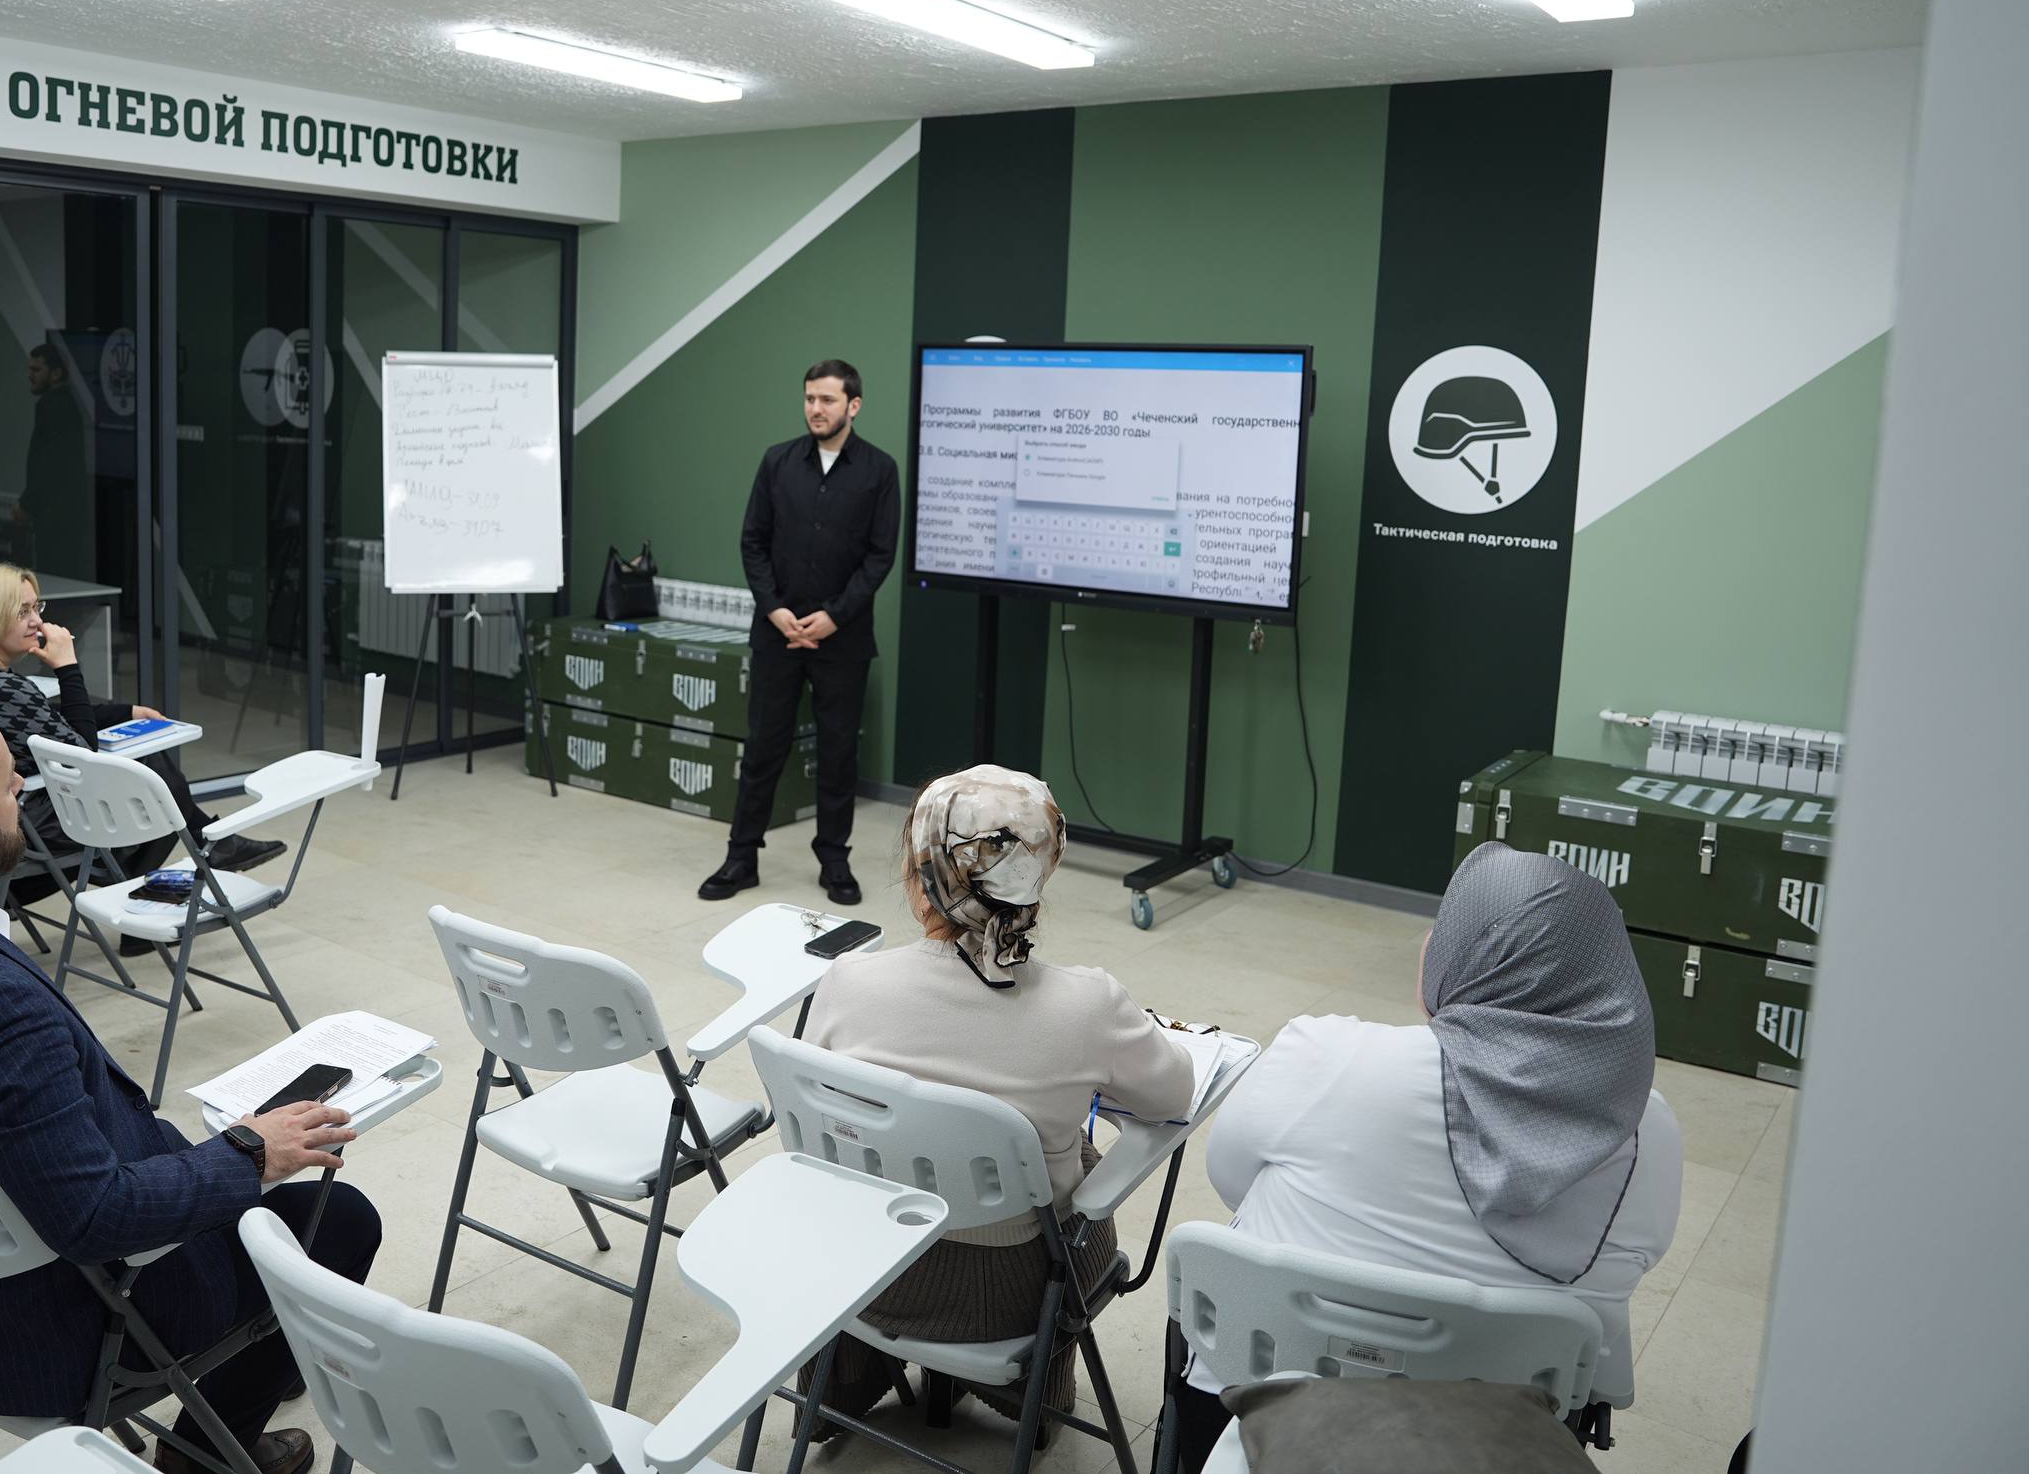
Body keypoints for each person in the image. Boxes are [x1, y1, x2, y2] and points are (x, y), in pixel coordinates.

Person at [0, 685, 377, 1474]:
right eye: (6, 783)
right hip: (69, 1326)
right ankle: (204, 1453)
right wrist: (253, 1151)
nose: (24, 784)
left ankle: (248, 1380)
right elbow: (98, 1218)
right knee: (339, 1218)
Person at [1169, 843, 1682, 1471]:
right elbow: (1632, 1266)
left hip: (1249, 1416)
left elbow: (1228, 1179)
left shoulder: (1326, 1056)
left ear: (1459, 957)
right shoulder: (1647, 1133)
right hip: (1494, 1448)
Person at [801, 765, 1197, 1434]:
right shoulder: (1089, 1004)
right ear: (1037, 878)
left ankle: (842, 1390)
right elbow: (1172, 1096)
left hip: (861, 1267)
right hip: (1009, 1297)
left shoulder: (847, 981)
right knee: (1072, 1151)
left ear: (920, 875)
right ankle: (1030, 1402)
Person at [0, 561, 285, 881]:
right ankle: (156, 874)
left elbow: (41, 722)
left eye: (37, 607)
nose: (37, 621)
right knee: (153, 777)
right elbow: (83, 753)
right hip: (23, 830)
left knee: (152, 778)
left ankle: (204, 848)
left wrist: (124, 713)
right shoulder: (3, 689)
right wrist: (67, 666)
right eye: (22, 611)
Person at [699, 359, 901, 908]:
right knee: (763, 747)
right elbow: (753, 542)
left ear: (853, 405)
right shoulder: (777, 462)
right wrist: (774, 609)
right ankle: (741, 857)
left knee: (838, 754)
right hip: (777, 634)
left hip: (844, 638)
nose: (816, 408)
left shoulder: (879, 471)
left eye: (827, 400)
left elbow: (880, 556)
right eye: (810, 398)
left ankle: (834, 860)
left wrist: (834, 615)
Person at [15, 340, 94, 571]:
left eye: (37, 369)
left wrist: (27, 504)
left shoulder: (54, 408)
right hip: (62, 515)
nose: (30, 375)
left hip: (56, 516)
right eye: (29, 369)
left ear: (56, 373)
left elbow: (49, 465)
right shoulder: (62, 405)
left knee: (55, 574)